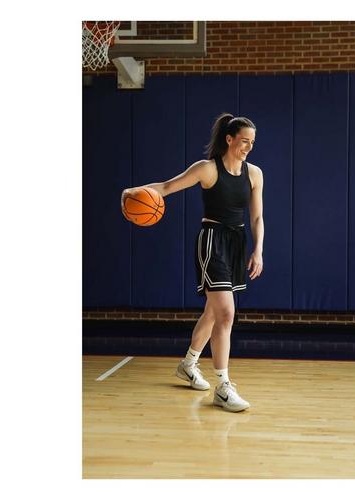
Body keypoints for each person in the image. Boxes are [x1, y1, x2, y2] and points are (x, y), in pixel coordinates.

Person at [121, 112, 264, 412]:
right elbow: (166, 187)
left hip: (237, 244)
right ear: (229, 139)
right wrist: (134, 192)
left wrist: (258, 250)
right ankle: (223, 387)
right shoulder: (207, 169)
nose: (248, 147)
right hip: (212, 241)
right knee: (226, 313)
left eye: (252, 142)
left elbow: (257, 217)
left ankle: (188, 364)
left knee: (213, 312)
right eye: (244, 141)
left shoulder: (254, 174)